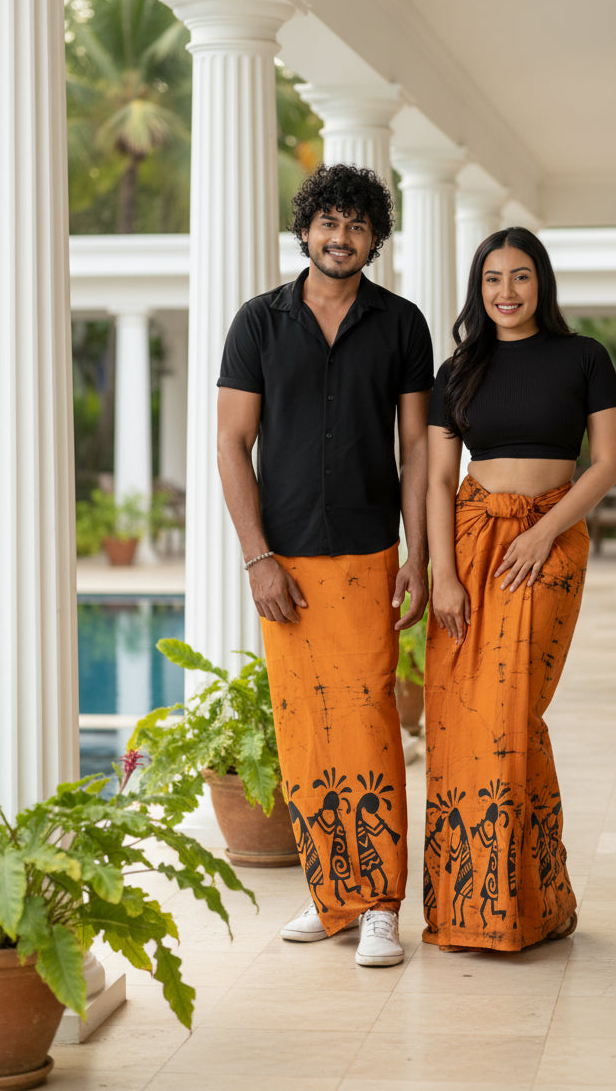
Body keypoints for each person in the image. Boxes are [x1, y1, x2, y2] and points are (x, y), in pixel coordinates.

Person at [216, 163, 433, 967]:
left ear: (374, 239)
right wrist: (257, 558)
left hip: (371, 553)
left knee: (371, 722)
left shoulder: (402, 325)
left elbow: (416, 449)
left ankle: (380, 904)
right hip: (287, 564)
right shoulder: (258, 324)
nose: (340, 238)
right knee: (305, 730)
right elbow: (232, 446)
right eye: (328, 223)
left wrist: (417, 554)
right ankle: (329, 896)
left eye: (357, 226)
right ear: (305, 229)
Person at [422, 226, 616, 952]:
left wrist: (544, 533)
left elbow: (607, 463)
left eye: (520, 277)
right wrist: (442, 572)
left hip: (549, 544)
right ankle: (490, 905)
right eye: (492, 280)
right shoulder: (458, 371)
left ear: (542, 283)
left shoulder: (584, 357)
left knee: (511, 709)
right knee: (462, 716)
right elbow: (441, 478)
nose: (506, 293)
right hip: (472, 543)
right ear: (478, 291)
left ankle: (525, 902)